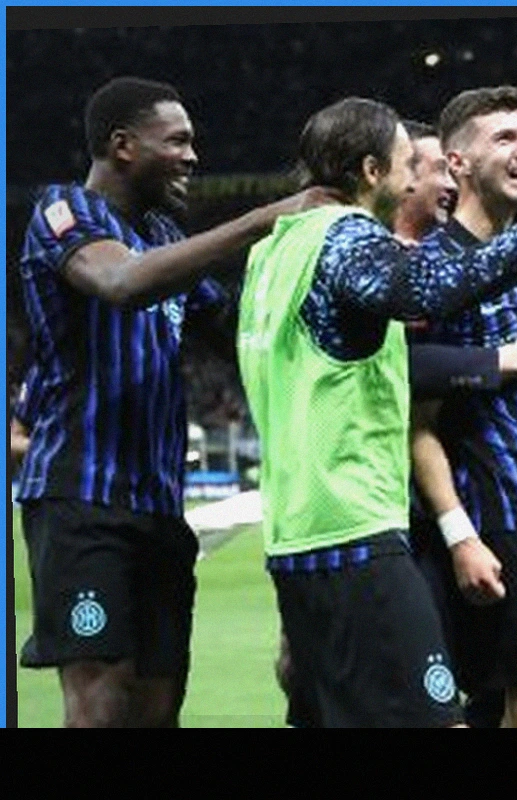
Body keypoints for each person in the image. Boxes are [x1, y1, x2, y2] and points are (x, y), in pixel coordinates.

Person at [238, 96, 517, 727]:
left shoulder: (283, 252)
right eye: (504, 137)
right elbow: (416, 401)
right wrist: (460, 533)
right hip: (426, 521)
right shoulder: (401, 259)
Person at [15, 76, 329, 728]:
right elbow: (122, 282)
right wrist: (266, 219)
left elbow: (239, 333)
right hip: (83, 499)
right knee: (101, 703)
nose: (192, 156)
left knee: (159, 708)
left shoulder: (162, 234)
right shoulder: (63, 212)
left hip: (159, 506)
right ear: (123, 146)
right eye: (177, 141)